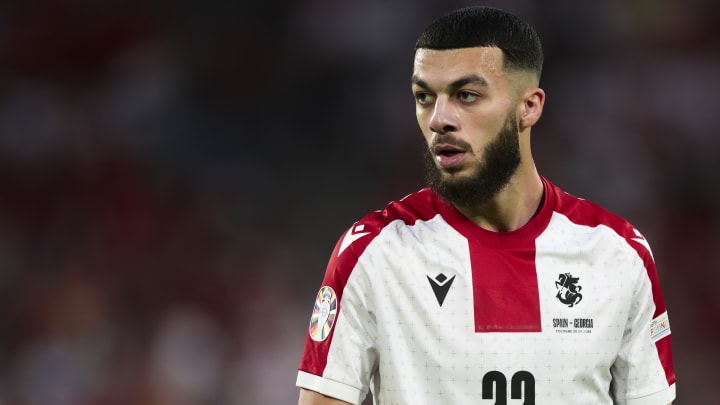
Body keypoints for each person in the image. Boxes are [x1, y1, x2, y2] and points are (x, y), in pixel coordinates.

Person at [296, 6, 676, 405]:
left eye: (467, 95)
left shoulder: (617, 254)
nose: (439, 119)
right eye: (424, 97)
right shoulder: (375, 253)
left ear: (529, 107)